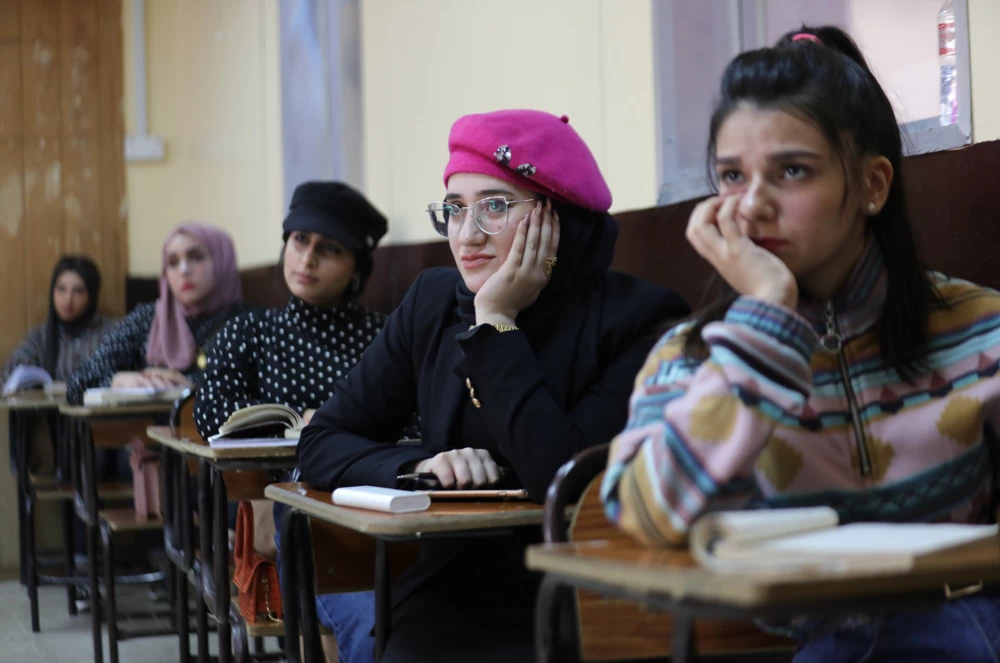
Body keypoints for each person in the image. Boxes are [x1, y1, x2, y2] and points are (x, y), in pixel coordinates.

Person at [601, 26, 1000, 662]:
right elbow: (651, 517)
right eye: (732, 175)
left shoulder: (980, 328)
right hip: (823, 645)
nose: (752, 206)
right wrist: (764, 320)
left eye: (792, 171)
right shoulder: (698, 354)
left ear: (871, 185)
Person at [297, 109, 690, 661]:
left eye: (496, 207)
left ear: (559, 218)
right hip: (451, 591)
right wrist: (418, 469)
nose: (468, 235)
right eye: (455, 211)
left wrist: (496, 324)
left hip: (589, 595)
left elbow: (563, 480)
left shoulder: (641, 320)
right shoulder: (432, 302)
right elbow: (321, 442)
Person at [193, 181, 394, 663]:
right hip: (299, 507)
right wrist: (294, 426)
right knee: (369, 623)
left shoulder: (384, 335)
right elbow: (210, 411)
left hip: (383, 498)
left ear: (356, 269)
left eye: (329, 249)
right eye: (299, 241)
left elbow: (420, 417)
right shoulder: (251, 330)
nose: (306, 259)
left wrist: (336, 425)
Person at [3, 256, 117, 383]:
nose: (68, 300)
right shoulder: (41, 336)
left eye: (78, 291)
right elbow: (8, 376)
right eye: (61, 289)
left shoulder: (112, 332)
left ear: (91, 295)